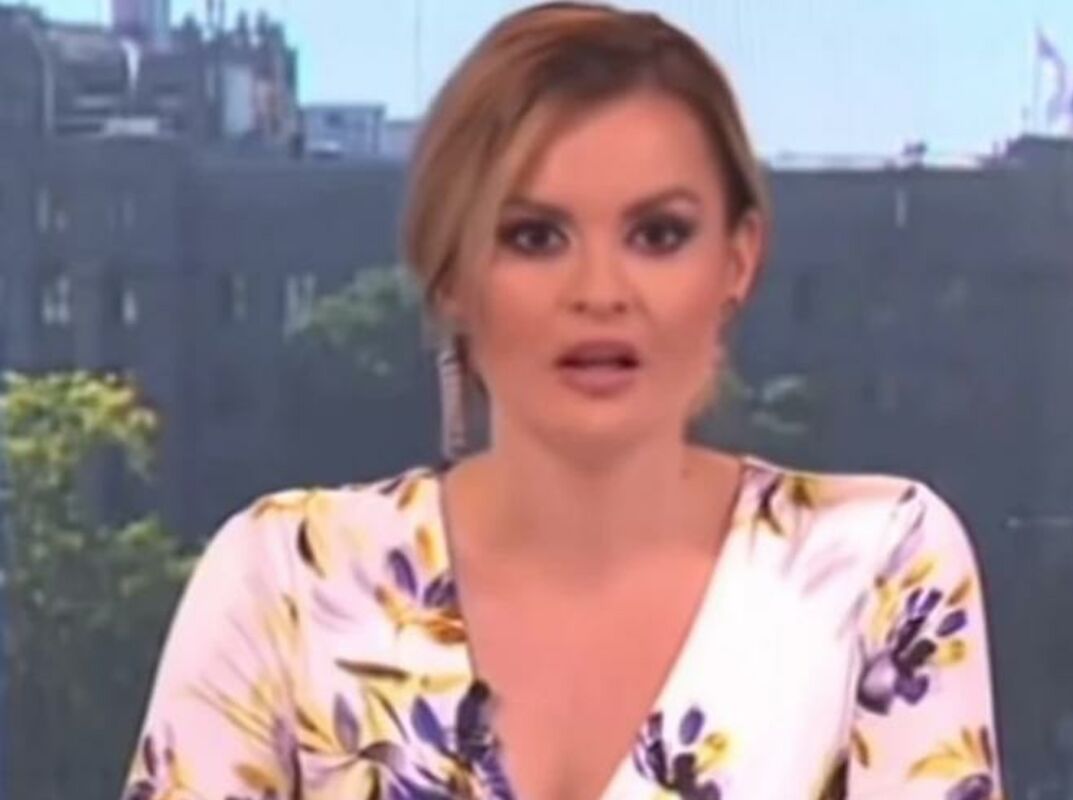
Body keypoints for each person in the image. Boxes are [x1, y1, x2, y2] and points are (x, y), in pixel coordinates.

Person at [122, 3, 1003, 798]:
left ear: (737, 261)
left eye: (658, 234)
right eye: (535, 237)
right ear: (451, 274)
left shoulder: (879, 571)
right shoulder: (285, 582)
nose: (600, 292)